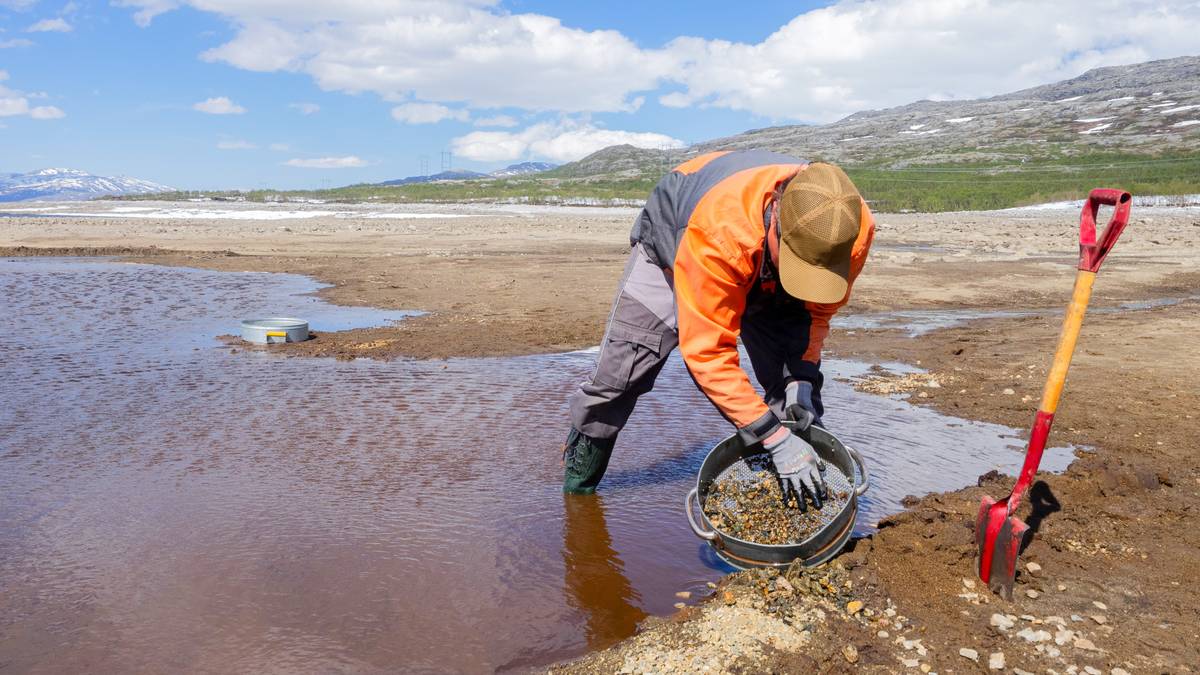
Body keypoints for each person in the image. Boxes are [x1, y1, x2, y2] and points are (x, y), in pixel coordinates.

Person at [562, 150, 875, 508]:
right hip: (676, 244)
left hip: (758, 257)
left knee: (790, 389)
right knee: (617, 379)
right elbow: (707, 352)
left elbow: (816, 315)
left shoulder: (849, 227)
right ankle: (578, 494)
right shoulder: (718, 231)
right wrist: (771, 436)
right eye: (797, 263)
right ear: (775, 217)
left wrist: (801, 382)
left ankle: (788, 504)